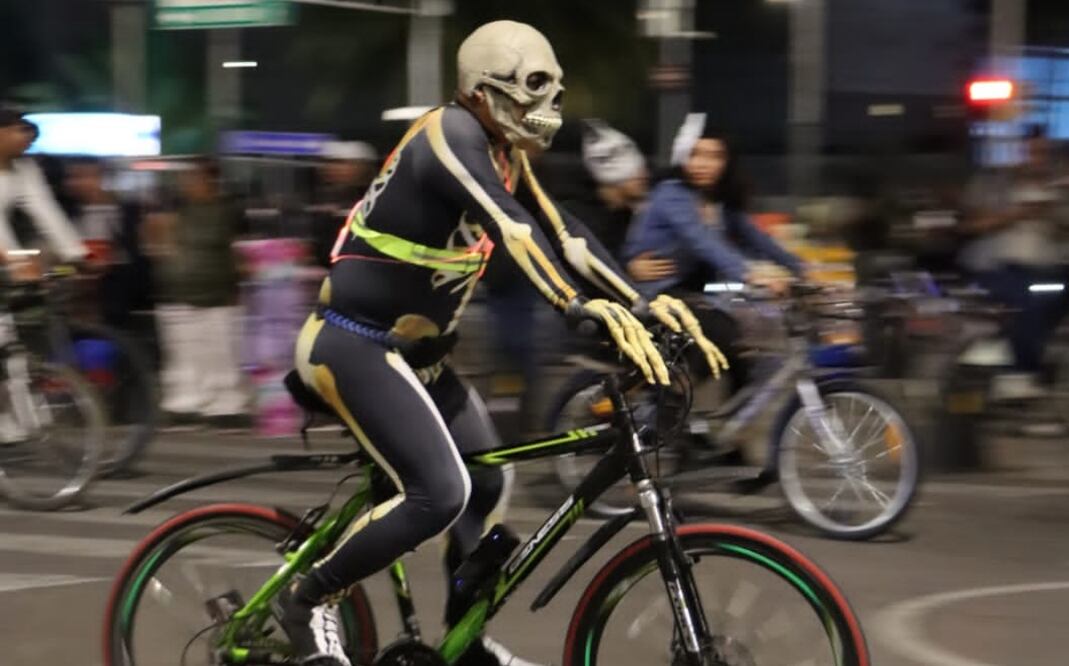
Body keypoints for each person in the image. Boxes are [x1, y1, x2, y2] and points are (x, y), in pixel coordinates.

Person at [283, 21, 726, 666]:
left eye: (552, 90)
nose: (544, 108)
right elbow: (512, 228)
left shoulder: (501, 151)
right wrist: (576, 306)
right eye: (530, 90)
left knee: (489, 481)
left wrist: (639, 300)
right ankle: (309, 599)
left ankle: (462, 645)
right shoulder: (449, 135)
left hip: (421, 362)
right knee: (442, 492)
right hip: (352, 344)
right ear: (481, 91)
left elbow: (563, 230)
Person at [622, 114, 804, 393]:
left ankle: (733, 432)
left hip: (691, 293)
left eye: (714, 156)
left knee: (745, 355)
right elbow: (703, 242)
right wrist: (753, 274)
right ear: (683, 156)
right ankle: (665, 414)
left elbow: (757, 238)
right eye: (695, 154)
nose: (704, 163)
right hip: (652, 294)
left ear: (726, 162)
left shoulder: (716, 201)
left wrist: (803, 269)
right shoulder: (672, 194)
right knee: (719, 332)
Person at [960, 125, 1069, 399]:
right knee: (1028, 301)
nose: (1038, 158)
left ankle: (1033, 360)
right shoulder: (998, 182)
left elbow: (1066, 228)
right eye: (1032, 151)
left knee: (1060, 299)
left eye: (1043, 152)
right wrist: (1016, 215)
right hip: (999, 267)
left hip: (1048, 268)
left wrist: (1054, 217)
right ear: (1020, 151)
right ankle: (1019, 372)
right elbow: (973, 224)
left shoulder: (1056, 185)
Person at [151, 157, 249, 424]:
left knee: (221, 354)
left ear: (210, 179)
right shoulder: (174, 209)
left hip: (218, 293)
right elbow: (159, 244)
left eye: (194, 177)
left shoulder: (228, 210)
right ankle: (184, 405)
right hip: (177, 294)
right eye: (185, 177)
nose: (187, 183)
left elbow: (238, 250)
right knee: (184, 355)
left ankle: (225, 406)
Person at [64, 157, 154, 331]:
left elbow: (141, 255)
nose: (77, 183)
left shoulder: (128, 211)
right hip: (80, 302)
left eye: (84, 176)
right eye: (73, 177)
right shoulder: (70, 213)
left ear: (101, 178)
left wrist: (112, 263)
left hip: (119, 301)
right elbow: (64, 259)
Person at [0, 105, 86, 264]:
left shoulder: (25, 168)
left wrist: (76, 254)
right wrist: (17, 263)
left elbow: (46, 210)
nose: (27, 140)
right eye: (19, 129)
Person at [562, 119, 650, 257]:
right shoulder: (578, 221)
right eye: (636, 171)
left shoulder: (628, 215)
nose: (644, 174)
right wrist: (628, 269)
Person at [306, 141, 378, 268]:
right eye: (330, 163)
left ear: (361, 166)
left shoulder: (376, 198)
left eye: (340, 163)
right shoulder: (324, 198)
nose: (331, 169)